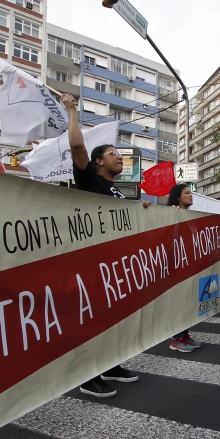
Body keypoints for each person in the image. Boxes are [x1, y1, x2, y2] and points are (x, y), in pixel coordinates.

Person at [65, 93, 144, 398]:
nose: (120, 157)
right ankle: (88, 376)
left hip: (113, 266)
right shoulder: (89, 181)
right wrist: (72, 111)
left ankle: (109, 365)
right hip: (92, 264)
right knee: (93, 320)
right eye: (113, 154)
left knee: (112, 319)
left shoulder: (114, 189)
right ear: (98, 161)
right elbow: (77, 147)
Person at [165, 184, 203, 353]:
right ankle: (176, 339)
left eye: (191, 193)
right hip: (176, 267)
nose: (190, 195)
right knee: (178, 303)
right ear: (177, 197)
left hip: (189, 266)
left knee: (187, 303)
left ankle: (184, 334)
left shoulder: (191, 216)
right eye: (187, 193)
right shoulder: (170, 214)